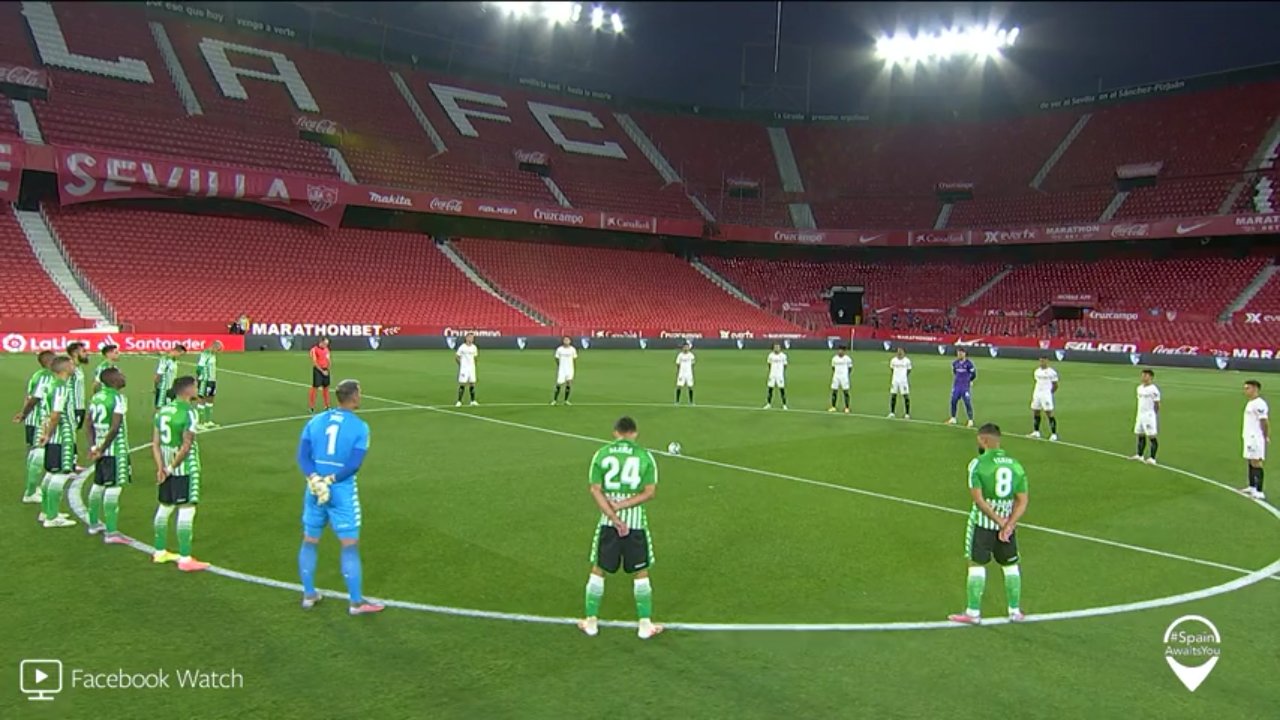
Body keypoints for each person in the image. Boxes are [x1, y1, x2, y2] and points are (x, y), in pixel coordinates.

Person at [296, 379, 384, 615]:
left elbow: (302, 456)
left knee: (310, 539)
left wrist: (315, 478)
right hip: (340, 491)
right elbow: (354, 464)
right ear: (354, 396)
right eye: (360, 392)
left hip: (314, 489)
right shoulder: (360, 427)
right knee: (349, 545)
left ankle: (308, 594)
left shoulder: (315, 421)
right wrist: (330, 481)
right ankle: (356, 603)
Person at [580, 416, 662, 639]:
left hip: (608, 523)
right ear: (635, 433)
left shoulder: (602, 454)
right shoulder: (645, 456)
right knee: (641, 571)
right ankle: (644, 625)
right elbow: (649, 492)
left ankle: (591, 621)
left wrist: (613, 515)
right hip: (635, 524)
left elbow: (595, 489)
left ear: (615, 432)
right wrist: (624, 505)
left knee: (599, 568)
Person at [949, 423, 1028, 625]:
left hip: (983, 524)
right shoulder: (1015, 464)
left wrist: (999, 521)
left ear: (983, 440)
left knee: (976, 564)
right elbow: (1022, 500)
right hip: (1007, 528)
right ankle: (1015, 611)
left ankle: (973, 613)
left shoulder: (978, 464)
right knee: (1010, 566)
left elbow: (979, 500)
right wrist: (1009, 524)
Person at [151, 376, 209, 571]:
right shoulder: (189, 413)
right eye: (195, 386)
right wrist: (171, 467)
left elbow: (156, 443)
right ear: (187, 390)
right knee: (186, 509)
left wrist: (161, 467)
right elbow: (186, 446)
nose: (197, 389)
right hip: (183, 468)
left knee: (165, 506)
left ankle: (159, 552)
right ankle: (185, 559)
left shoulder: (162, 412)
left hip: (165, 465)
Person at [86, 367, 131, 544]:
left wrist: (93, 447)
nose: (124, 376)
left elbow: (88, 423)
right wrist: (103, 448)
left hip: (99, 449)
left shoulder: (96, 397)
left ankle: (93, 523)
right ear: (113, 380)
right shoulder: (118, 398)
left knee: (98, 484)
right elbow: (115, 427)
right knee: (114, 488)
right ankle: (112, 533)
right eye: (121, 375)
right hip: (114, 450)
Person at [37, 355, 78, 528]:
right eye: (71, 364)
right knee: (61, 473)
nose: (74, 365)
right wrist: (48, 433)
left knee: (51, 473)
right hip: (62, 435)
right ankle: (52, 517)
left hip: (53, 434)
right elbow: (55, 414)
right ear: (64, 368)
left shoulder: (50, 384)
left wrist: (46, 433)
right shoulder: (61, 387)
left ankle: (46, 511)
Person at [14, 351, 55, 504]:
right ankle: (30, 492)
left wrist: (24, 414)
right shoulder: (46, 376)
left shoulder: (38, 374)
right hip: (39, 419)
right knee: (39, 452)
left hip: (32, 419)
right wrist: (23, 413)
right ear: (49, 362)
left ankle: (32, 487)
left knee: (33, 451)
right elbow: (34, 399)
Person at [1240, 379, 1269, 500]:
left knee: (1256, 462)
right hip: (1248, 437)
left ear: (1255, 389)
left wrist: (1265, 435)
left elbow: (1264, 421)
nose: (1245, 390)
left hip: (1255, 438)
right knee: (1250, 460)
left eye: (1248, 388)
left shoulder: (1259, 403)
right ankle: (1252, 486)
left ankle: (1259, 490)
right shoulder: (1251, 402)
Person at [1131, 369, 1161, 465]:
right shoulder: (1139, 388)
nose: (1143, 377)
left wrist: (1153, 414)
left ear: (1151, 377)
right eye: (1142, 375)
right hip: (1140, 414)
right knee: (1140, 434)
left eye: (1145, 376)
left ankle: (1152, 458)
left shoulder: (1154, 389)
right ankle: (1140, 455)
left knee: (1151, 436)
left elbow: (1157, 404)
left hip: (1148, 415)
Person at [1029, 357, 1060, 441]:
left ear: (1047, 361)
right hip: (1037, 393)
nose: (1042, 362)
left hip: (1046, 394)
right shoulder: (1037, 371)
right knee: (1036, 411)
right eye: (1040, 361)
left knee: (1049, 413)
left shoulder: (1052, 372)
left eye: (1043, 361)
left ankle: (1054, 434)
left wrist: (1049, 393)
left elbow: (1055, 385)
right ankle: (1036, 432)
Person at [947, 348, 977, 428]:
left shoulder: (969, 363)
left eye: (961, 353)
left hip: (965, 386)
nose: (959, 355)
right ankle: (953, 418)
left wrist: (969, 380)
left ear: (964, 354)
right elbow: (954, 372)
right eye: (958, 353)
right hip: (957, 386)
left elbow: (974, 374)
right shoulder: (955, 363)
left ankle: (970, 420)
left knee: (967, 402)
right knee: (953, 401)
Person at [195, 341, 222, 430]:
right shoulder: (205, 354)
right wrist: (198, 378)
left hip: (212, 380)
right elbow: (199, 368)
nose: (218, 351)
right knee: (202, 399)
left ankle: (208, 421)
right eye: (218, 349)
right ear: (214, 347)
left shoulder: (212, 355)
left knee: (210, 399)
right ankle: (199, 422)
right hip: (204, 380)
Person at [66, 341, 90, 431]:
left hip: (79, 408)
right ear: (75, 353)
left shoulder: (78, 368)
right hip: (71, 409)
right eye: (83, 351)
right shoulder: (69, 368)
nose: (87, 354)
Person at [552, 336, 578, 406]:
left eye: (567, 340)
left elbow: (574, 359)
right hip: (562, 369)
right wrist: (560, 365)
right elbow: (556, 358)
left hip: (570, 369)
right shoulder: (559, 349)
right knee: (559, 383)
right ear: (563, 341)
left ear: (570, 341)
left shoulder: (573, 349)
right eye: (565, 340)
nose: (566, 341)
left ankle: (566, 400)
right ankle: (555, 400)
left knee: (568, 383)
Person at [455, 333, 478, 407]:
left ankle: (473, 401)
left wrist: (473, 365)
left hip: (471, 368)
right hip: (464, 368)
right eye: (470, 337)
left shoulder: (474, 347)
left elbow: (475, 357)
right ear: (466, 338)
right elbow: (457, 356)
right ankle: (459, 401)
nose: (471, 339)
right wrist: (461, 365)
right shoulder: (462, 347)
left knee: (472, 383)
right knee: (462, 384)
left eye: (472, 338)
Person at [888, 347, 912, 419]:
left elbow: (909, 370)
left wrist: (903, 376)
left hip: (903, 381)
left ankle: (907, 414)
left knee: (906, 396)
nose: (899, 353)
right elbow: (892, 369)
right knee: (893, 396)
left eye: (901, 352)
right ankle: (892, 413)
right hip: (895, 380)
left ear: (904, 352)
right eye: (898, 351)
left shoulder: (907, 361)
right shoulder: (893, 360)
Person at [309, 338, 332, 413]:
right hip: (318, 370)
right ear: (321, 342)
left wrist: (328, 369)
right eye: (325, 343)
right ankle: (311, 407)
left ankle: (327, 406)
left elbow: (328, 359)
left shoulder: (326, 349)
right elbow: (315, 362)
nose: (326, 345)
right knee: (315, 388)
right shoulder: (314, 350)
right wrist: (322, 371)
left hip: (325, 370)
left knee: (326, 388)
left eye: (327, 344)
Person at [764, 343, 788, 410]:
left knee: (782, 390)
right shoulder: (770, 355)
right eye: (775, 347)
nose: (776, 348)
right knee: (770, 389)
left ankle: (784, 404)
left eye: (778, 347)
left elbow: (785, 365)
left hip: (779, 375)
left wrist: (781, 372)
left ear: (780, 348)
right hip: (772, 375)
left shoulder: (783, 356)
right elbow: (769, 364)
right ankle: (768, 404)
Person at [829, 346, 852, 413]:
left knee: (845, 392)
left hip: (844, 377)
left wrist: (845, 374)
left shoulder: (847, 359)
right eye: (839, 350)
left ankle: (847, 407)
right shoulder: (834, 359)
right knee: (834, 391)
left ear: (844, 351)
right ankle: (833, 407)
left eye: (841, 350)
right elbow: (833, 368)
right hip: (836, 377)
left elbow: (850, 368)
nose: (840, 352)